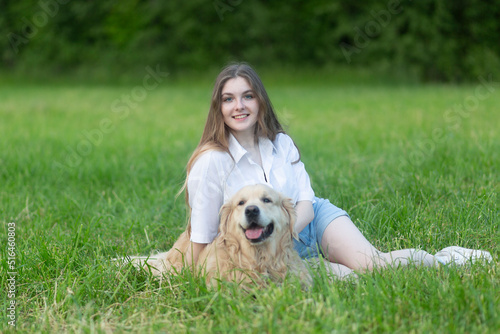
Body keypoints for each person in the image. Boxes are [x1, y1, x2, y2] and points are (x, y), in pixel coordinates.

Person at [180, 63, 492, 279]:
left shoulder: (281, 143)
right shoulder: (212, 161)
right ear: (218, 108)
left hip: (310, 220)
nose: (240, 106)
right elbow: (204, 232)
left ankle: (446, 259)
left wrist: (289, 237)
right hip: (260, 248)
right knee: (348, 277)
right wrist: (193, 274)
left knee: (373, 266)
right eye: (228, 99)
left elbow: (305, 200)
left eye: (247, 96)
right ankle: (322, 265)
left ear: (260, 100)